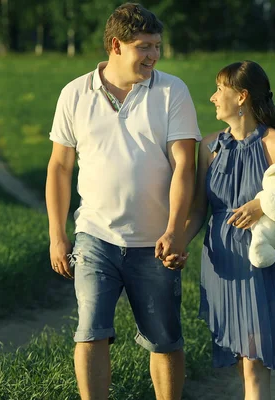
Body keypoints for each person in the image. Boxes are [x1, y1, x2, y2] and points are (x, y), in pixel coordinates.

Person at [45, 3, 201, 399]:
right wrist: (57, 235)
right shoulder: (75, 93)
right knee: (90, 332)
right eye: (144, 46)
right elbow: (60, 168)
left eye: (157, 46)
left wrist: (176, 231)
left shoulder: (172, 91)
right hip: (95, 236)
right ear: (116, 45)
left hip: (156, 243)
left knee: (163, 339)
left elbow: (185, 166)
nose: (152, 55)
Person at [181, 60, 275, 399]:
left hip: (263, 262)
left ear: (241, 96)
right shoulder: (209, 147)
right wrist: (178, 242)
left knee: (255, 358)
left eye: (219, 90)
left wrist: (264, 204)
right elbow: (200, 209)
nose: (212, 98)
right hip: (222, 262)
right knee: (245, 357)